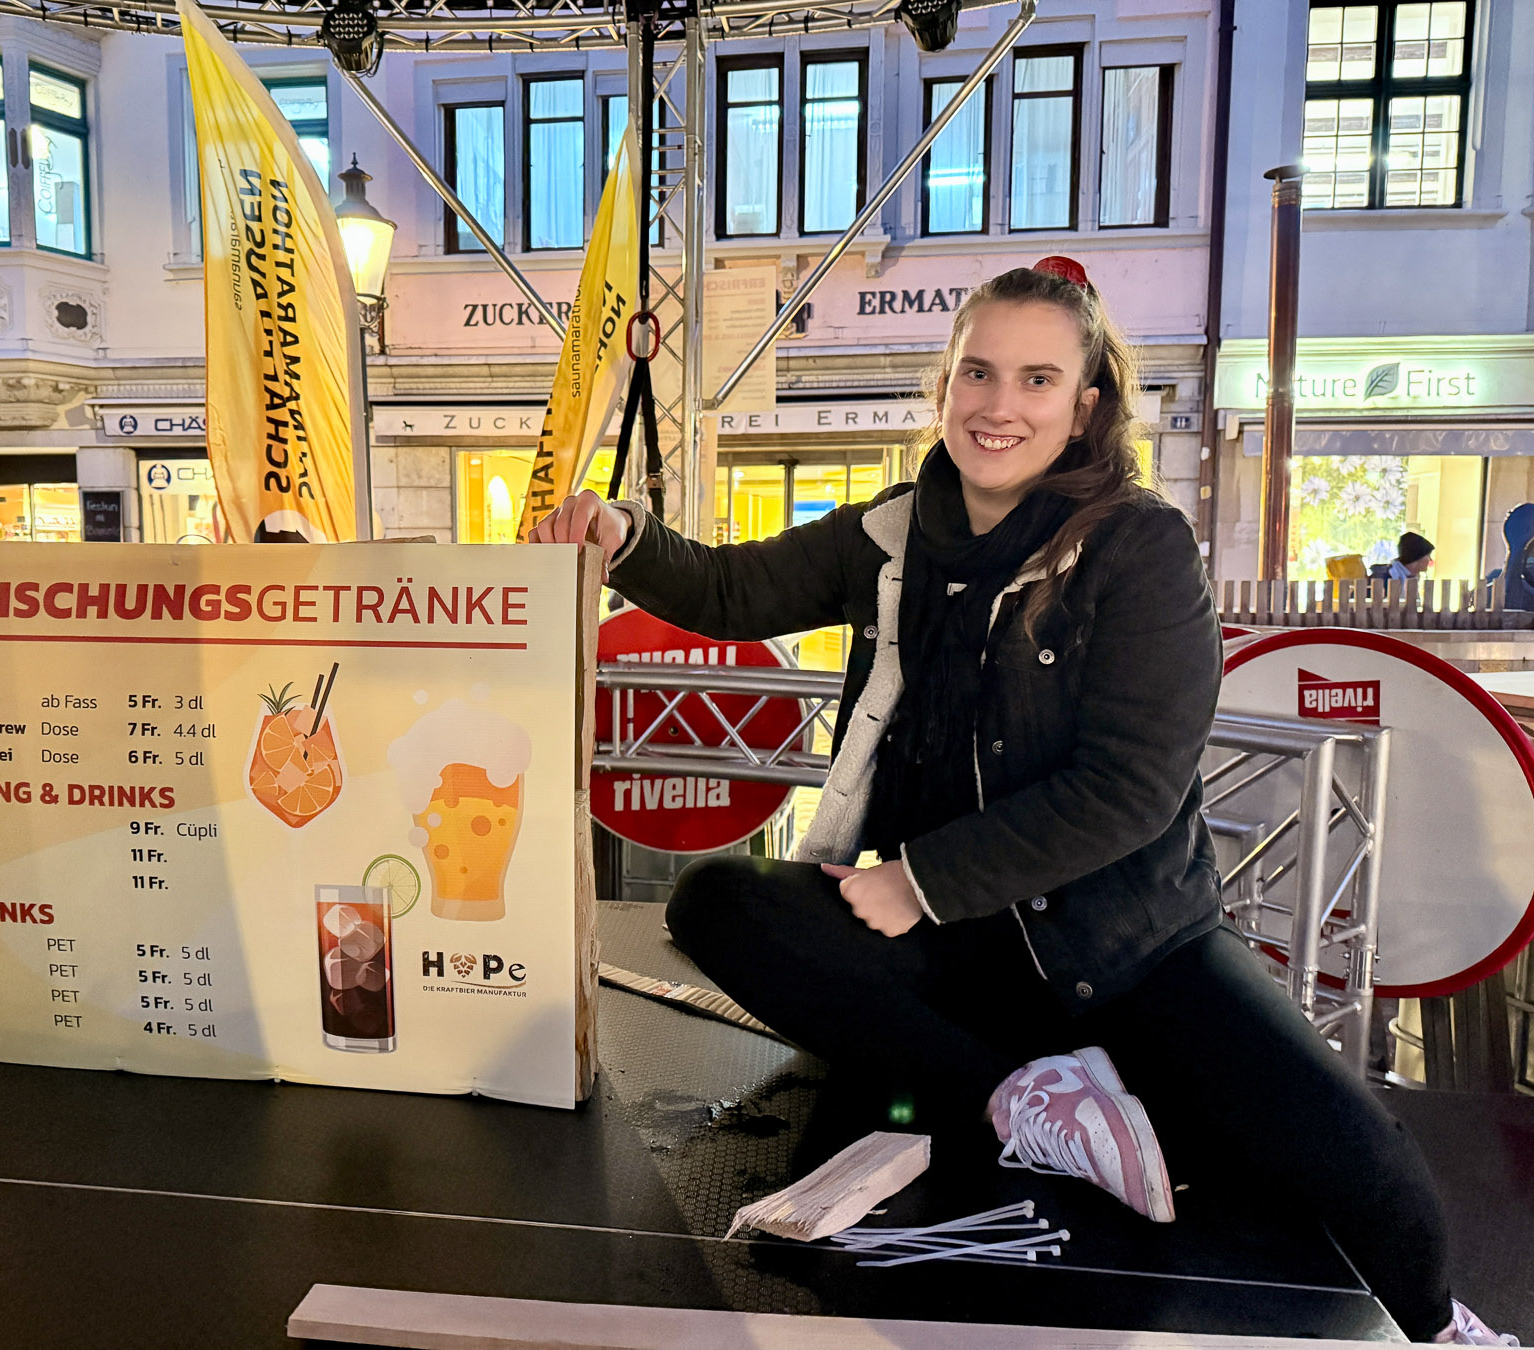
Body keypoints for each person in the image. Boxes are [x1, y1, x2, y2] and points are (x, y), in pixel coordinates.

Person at [531, 258, 1513, 1346]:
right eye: (979, 373)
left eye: (1037, 380)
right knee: (717, 903)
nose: (1000, 406)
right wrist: (624, 535)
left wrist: (920, 881)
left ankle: (1442, 1329)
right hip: (956, 947)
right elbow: (731, 589)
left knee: (1347, 1148)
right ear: (946, 386)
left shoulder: (1140, 548)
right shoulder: (893, 532)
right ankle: (1028, 1100)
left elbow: (1131, 790)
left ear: (1084, 406)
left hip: (1125, 941)